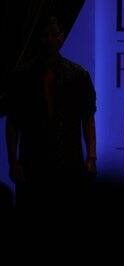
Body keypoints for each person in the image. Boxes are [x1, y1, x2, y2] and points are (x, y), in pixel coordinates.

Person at [5, 16, 97, 214]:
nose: (49, 40)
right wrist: (13, 162)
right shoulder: (21, 75)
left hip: (69, 160)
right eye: (45, 35)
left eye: (53, 35)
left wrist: (91, 157)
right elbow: (13, 122)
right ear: (39, 38)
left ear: (61, 37)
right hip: (33, 161)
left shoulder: (78, 74)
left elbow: (87, 117)